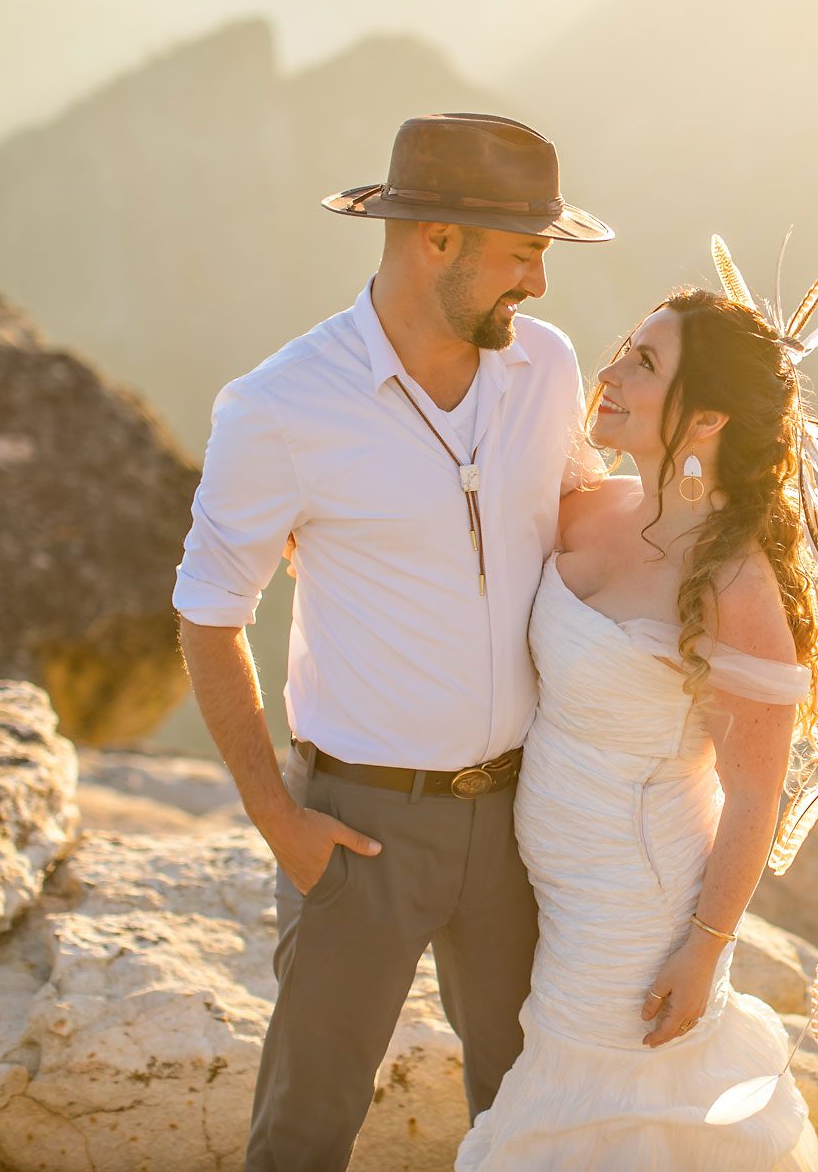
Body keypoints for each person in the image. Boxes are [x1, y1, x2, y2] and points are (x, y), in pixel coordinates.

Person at [172, 112, 612, 1172]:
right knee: (308, 1120)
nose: (539, 288)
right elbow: (206, 613)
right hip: (357, 826)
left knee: (529, 1105)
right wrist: (279, 817)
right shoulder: (282, 406)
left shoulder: (545, 367)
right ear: (437, 239)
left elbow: (583, 513)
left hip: (521, 817)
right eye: (522, 256)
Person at [454, 249, 818, 1170]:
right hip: (548, 881)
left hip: (638, 904)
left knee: (599, 1107)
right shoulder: (591, 508)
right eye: (624, 350)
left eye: (644, 366)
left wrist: (704, 950)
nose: (610, 374)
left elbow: (755, 794)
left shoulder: (739, 583)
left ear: (705, 418)